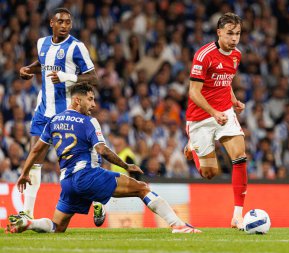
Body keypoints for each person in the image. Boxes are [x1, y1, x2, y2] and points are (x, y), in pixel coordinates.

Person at [6, 84, 201, 234]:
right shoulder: (88, 121)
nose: (93, 104)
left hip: (67, 181)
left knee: (57, 226)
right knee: (142, 188)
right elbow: (102, 149)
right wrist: (126, 165)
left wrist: (24, 173)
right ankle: (178, 225)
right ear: (76, 100)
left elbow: (37, 149)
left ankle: (29, 223)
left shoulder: (54, 121)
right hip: (87, 175)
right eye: (89, 99)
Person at [13, 8, 106, 226]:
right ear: (51, 23)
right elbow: (43, 64)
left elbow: (94, 78)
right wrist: (28, 68)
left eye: (68, 22)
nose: (65, 25)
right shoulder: (41, 43)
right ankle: (26, 214)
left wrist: (68, 77)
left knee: (81, 162)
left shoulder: (77, 47)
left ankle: (99, 199)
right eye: (60, 21)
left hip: (68, 114)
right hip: (44, 110)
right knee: (34, 159)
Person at [183, 13, 247, 229]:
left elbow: (225, 82)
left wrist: (234, 100)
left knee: (240, 156)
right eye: (230, 33)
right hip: (201, 117)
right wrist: (212, 113)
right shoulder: (204, 55)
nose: (234, 38)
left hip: (225, 113)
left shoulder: (236, 55)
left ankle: (238, 215)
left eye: (238, 33)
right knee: (210, 173)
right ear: (219, 32)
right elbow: (194, 92)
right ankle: (192, 145)